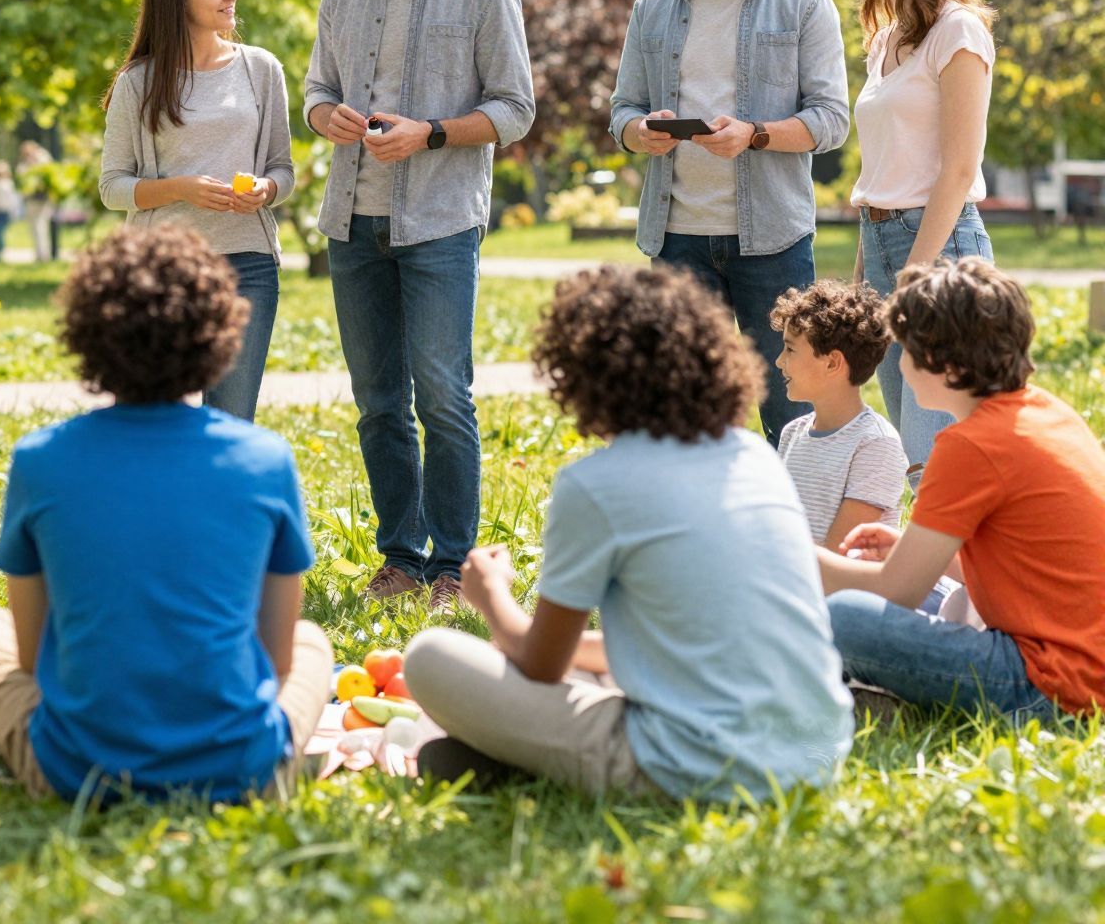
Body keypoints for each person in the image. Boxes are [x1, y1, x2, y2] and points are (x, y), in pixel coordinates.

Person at [403, 265, 853, 800]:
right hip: (818, 755)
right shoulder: (754, 455)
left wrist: (491, 593)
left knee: (429, 657)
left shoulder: (597, 484)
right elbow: (684, 641)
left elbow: (540, 664)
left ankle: (501, 756)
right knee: (585, 677)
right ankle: (499, 758)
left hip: (700, 768)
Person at [0, 226, 332, 803]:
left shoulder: (41, 459)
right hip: (239, 766)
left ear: (88, 334)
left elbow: (31, 660)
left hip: (80, 768)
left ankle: (15, 755)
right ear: (218, 335)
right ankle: (281, 762)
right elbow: (277, 663)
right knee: (311, 643)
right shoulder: (265, 459)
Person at [304, 0, 534, 606]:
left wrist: (430, 132)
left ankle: (454, 566)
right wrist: (325, 114)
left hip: (438, 221)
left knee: (442, 395)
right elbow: (315, 90)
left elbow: (514, 110)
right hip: (352, 221)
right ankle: (401, 557)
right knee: (378, 402)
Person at [610, 0, 850, 446]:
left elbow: (832, 119)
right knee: (683, 414)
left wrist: (756, 135)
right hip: (678, 240)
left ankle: (796, 538)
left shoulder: (804, 2)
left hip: (772, 240)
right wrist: (641, 133)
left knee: (789, 412)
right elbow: (623, 111)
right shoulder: (653, 7)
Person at [816, 259, 1105, 722]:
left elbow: (898, 591)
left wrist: (790, 551)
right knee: (858, 580)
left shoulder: (970, 445)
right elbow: (1023, 567)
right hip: (1084, 658)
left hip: (1049, 683)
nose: (902, 367)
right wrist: (909, 553)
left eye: (905, 352)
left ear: (944, 365)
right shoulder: (1045, 410)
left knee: (845, 613)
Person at [839, 0, 998, 477]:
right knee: (915, 460)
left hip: (941, 252)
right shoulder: (884, 40)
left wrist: (915, 275)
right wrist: (864, 276)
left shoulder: (958, 30)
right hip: (883, 248)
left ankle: (955, 576)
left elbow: (958, 168)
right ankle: (935, 575)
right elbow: (880, 170)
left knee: (940, 457)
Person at [98, 0, 295, 420]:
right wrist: (182, 188)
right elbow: (113, 187)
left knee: (231, 420)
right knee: (149, 417)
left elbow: (282, 172)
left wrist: (266, 190)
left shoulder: (261, 69)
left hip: (247, 266)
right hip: (160, 271)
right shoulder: (138, 83)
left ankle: (217, 500)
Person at [769, 279, 908, 549]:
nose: (778, 361)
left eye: (790, 349)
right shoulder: (792, 433)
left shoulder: (876, 445)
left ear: (832, 362)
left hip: (843, 587)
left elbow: (841, 552)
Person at [16, 140, 55, 262]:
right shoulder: (24, 164)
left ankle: (43, 255)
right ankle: (40, 254)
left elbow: (48, 169)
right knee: (35, 228)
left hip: (42, 199)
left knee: (41, 226)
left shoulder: (42, 157)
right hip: (31, 199)